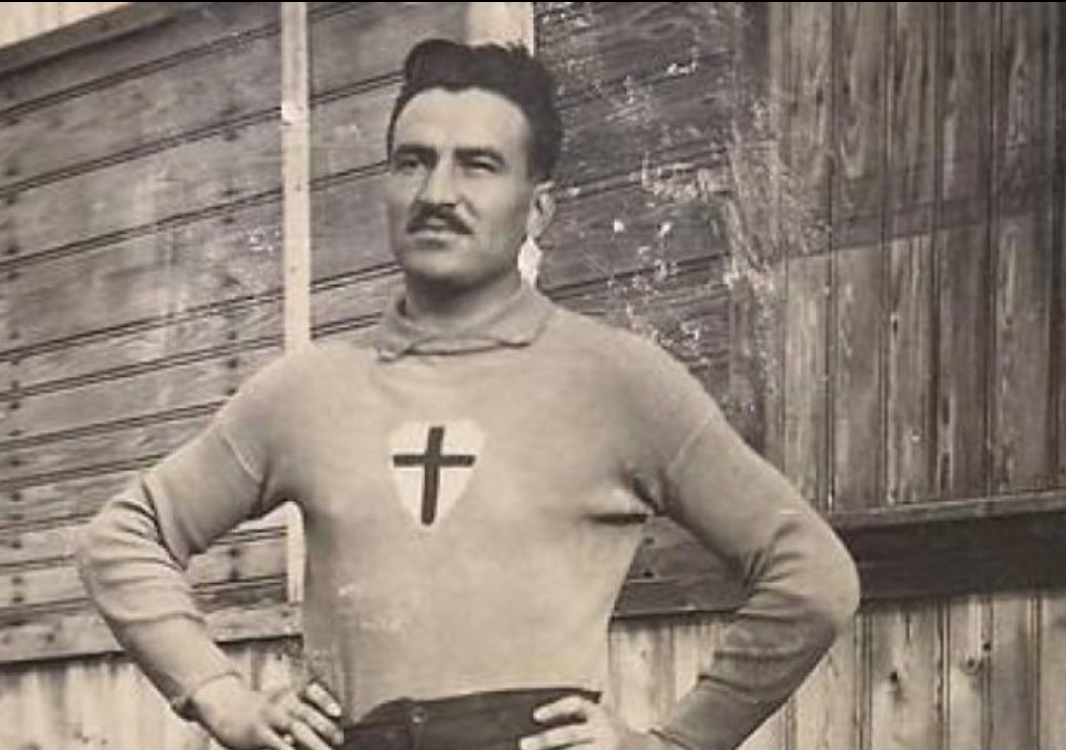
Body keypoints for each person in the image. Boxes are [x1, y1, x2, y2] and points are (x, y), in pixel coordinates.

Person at [76, 39, 859, 750]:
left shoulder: (619, 380)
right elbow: (122, 538)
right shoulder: (305, 390)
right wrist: (222, 699)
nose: (437, 192)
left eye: (478, 165)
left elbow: (812, 578)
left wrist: (673, 744)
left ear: (537, 206)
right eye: (412, 162)